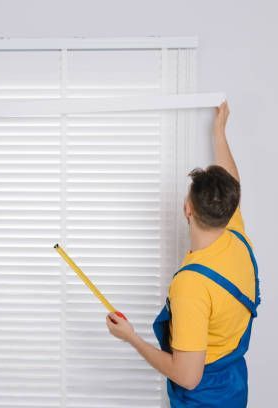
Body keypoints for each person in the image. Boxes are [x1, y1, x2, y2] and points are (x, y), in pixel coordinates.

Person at [106, 101, 259, 407]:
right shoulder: (237, 239)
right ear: (229, 207)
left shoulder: (191, 286)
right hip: (234, 386)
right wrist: (219, 131)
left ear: (187, 209)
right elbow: (232, 181)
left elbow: (188, 377)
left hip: (203, 400)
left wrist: (132, 338)